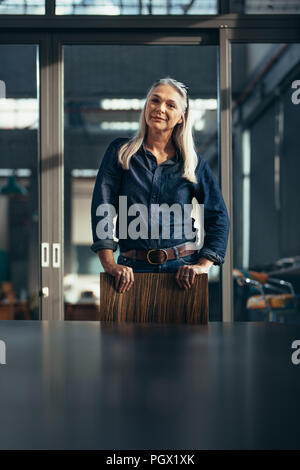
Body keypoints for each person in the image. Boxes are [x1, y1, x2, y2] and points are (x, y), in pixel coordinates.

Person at [90, 77, 229, 293]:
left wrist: (202, 266)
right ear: (146, 106)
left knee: (184, 329)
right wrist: (109, 264)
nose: (160, 108)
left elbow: (218, 216)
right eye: (155, 101)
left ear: (181, 118)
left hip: (182, 271)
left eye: (170, 105)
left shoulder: (192, 163)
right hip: (131, 271)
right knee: (127, 328)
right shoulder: (120, 152)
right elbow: (103, 207)